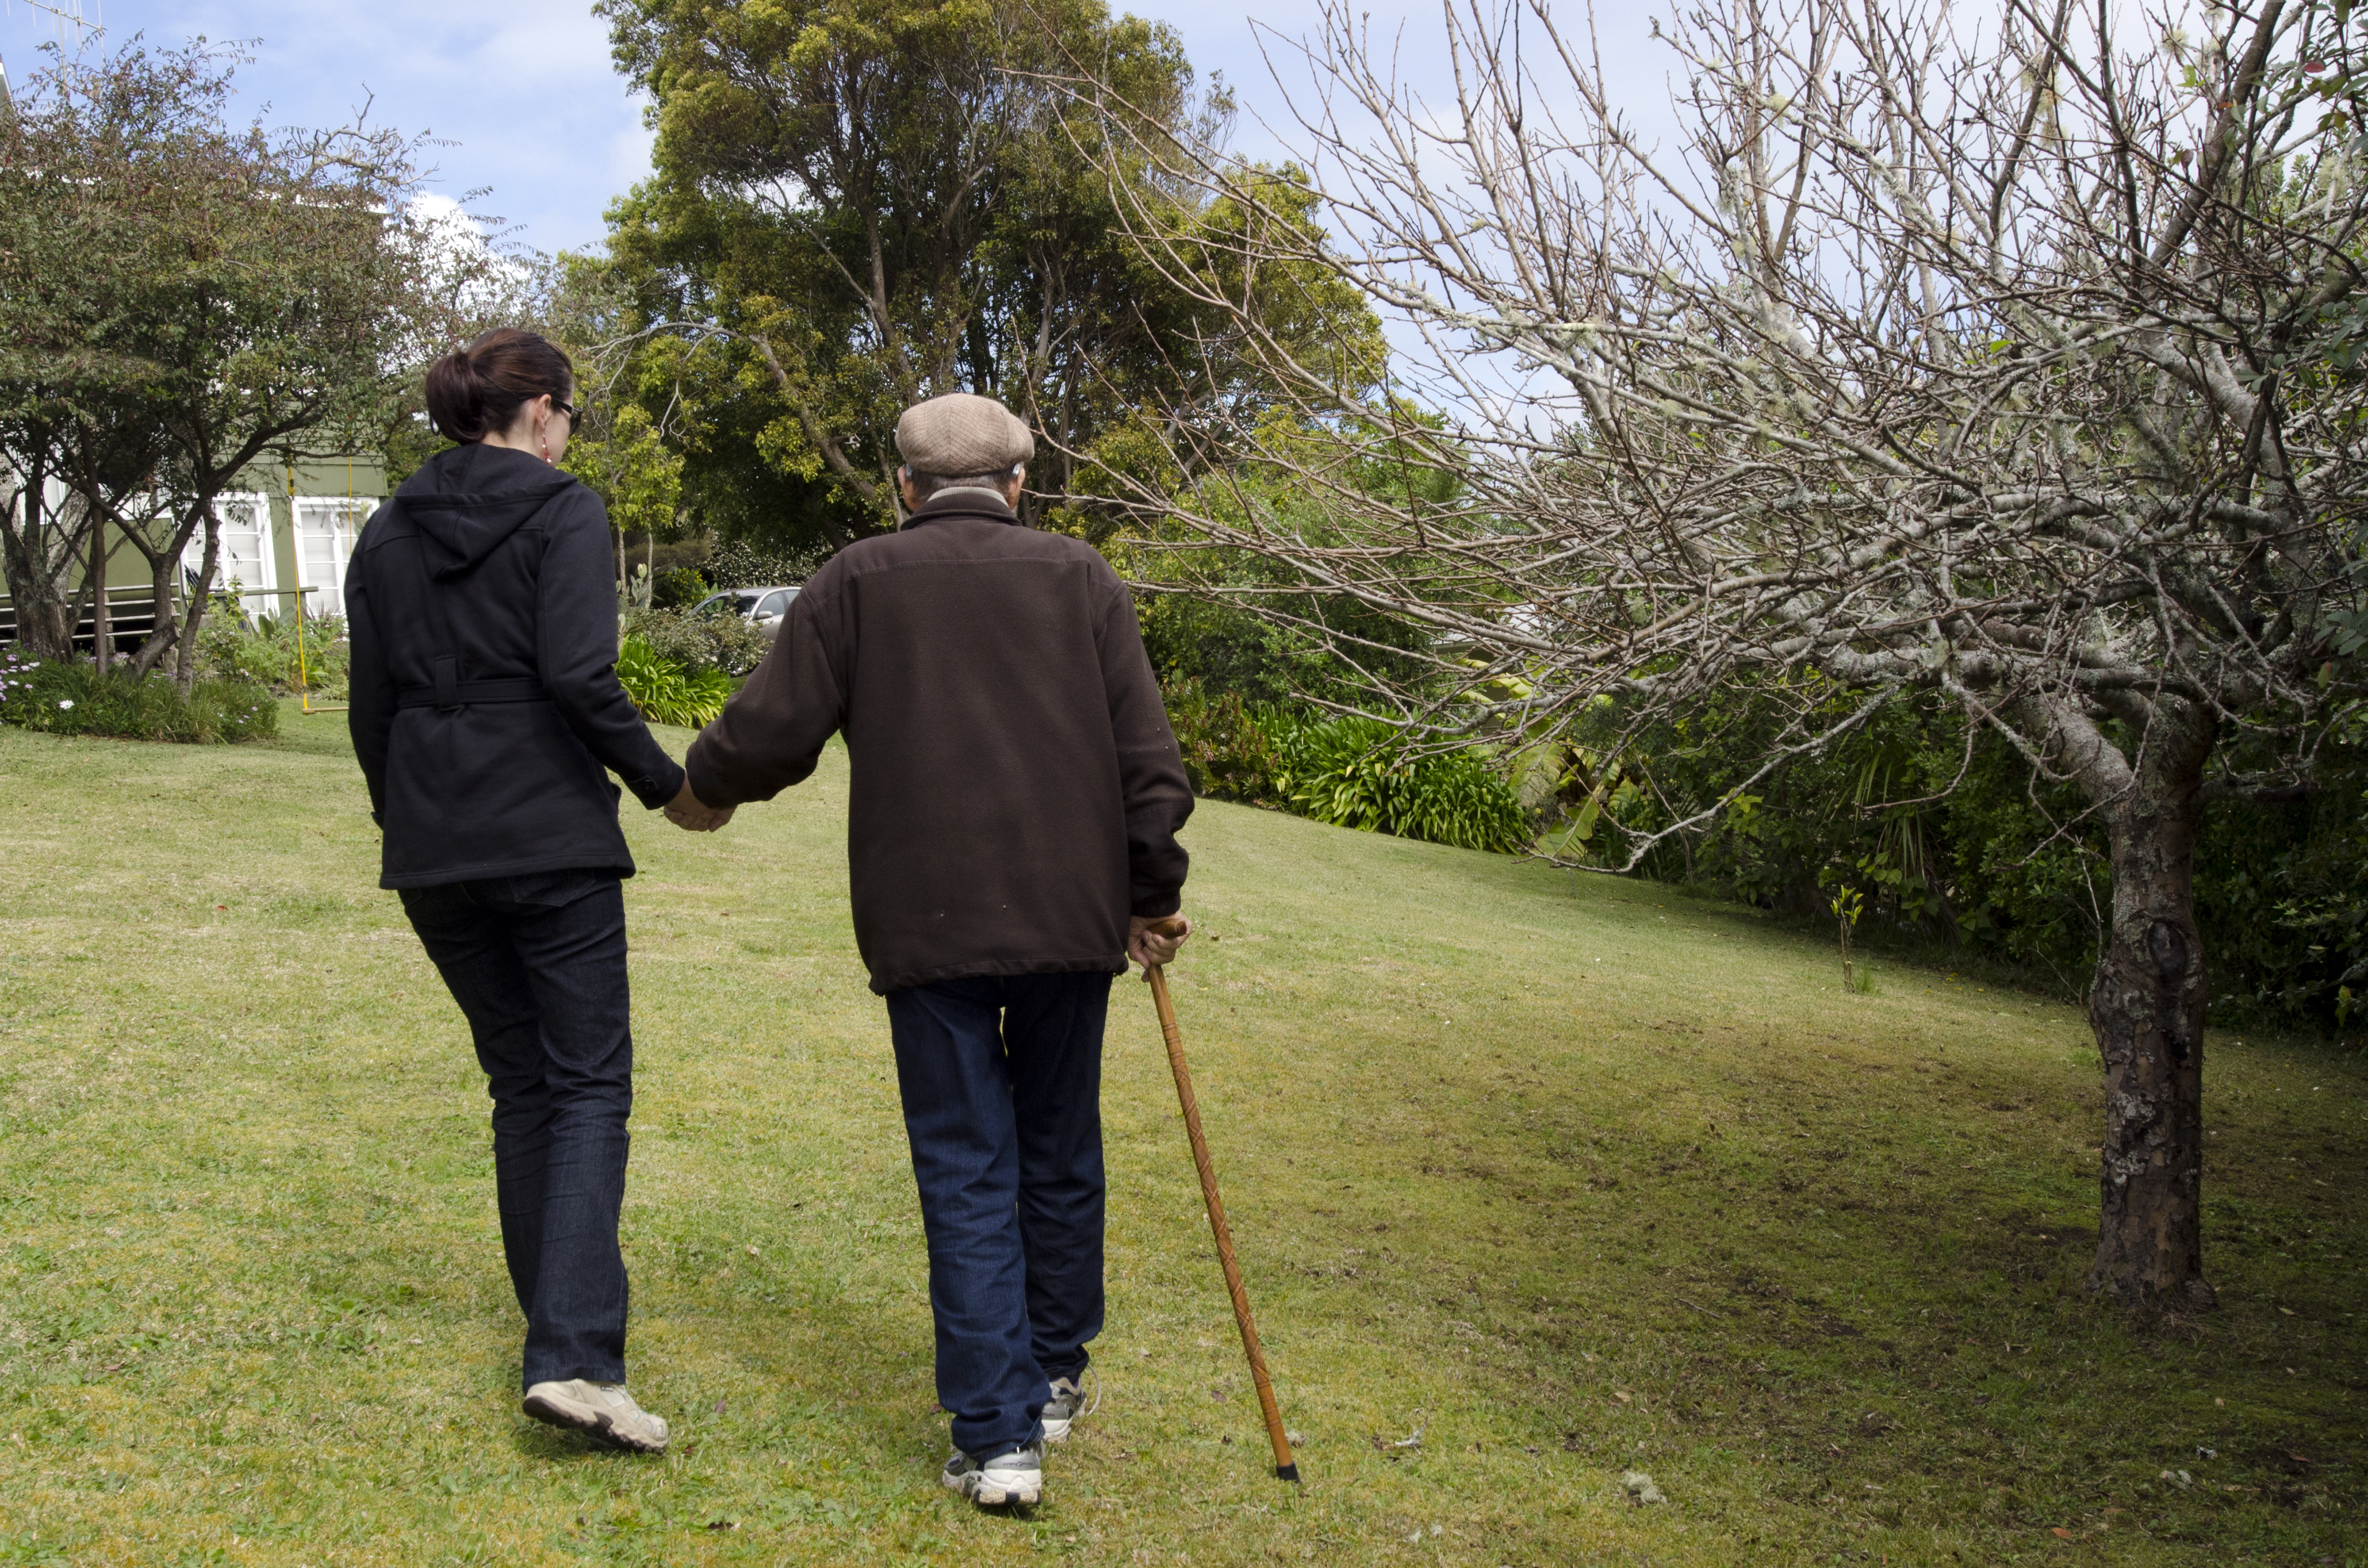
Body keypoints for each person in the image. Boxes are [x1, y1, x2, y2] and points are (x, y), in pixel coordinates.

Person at [683, 392, 1194, 1508]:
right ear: (1020, 482)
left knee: (966, 1166)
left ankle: (1000, 1436)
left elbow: (771, 729)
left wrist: (703, 790)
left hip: (929, 923)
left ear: (903, 485)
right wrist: (1148, 893)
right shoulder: (1081, 578)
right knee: (1058, 1148)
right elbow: (1147, 763)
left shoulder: (856, 577)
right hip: (1070, 918)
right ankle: (1050, 1376)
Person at [346, 328, 733, 1455]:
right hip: (549, 841)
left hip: (434, 844)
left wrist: (403, 814)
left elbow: (373, 709)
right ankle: (573, 1359)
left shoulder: (383, 527)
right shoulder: (565, 511)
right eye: (569, 416)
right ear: (539, 413)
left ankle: (562, 1349)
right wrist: (672, 788)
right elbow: (577, 676)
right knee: (585, 1088)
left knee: (526, 1090)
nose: (570, 436)